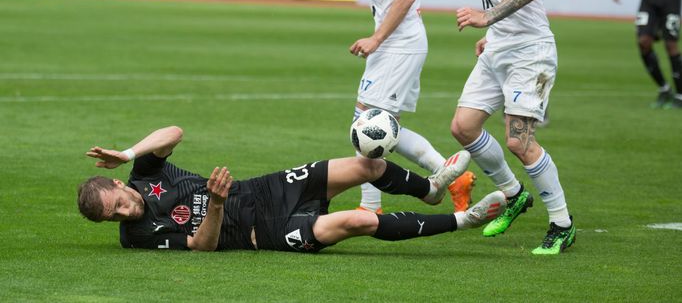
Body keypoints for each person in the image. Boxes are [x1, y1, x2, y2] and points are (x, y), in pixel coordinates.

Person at [77, 126, 506, 252]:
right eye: (111, 217)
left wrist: (130, 152)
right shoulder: (136, 236)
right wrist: (216, 206)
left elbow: (174, 131)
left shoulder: (144, 175)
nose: (123, 213)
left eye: (117, 203)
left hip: (266, 188)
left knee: (368, 165)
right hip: (263, 231)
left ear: (119, 184)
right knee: (359, 220)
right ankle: (460, 220)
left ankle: (430, 189)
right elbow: (201, 247)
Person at [313, 0, 475, 214]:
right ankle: (450, 175)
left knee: (367, 125)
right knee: (379, 127)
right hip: (397, 44)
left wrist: (375, 39)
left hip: (399, 45)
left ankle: (371, 206)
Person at [441, 0, 575, 255]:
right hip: (500, 45)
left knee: (519, 140)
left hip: (529, 52)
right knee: (463, 126)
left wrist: (487, 17)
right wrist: (492, 32)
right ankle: (514, 195)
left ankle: (562, 223)